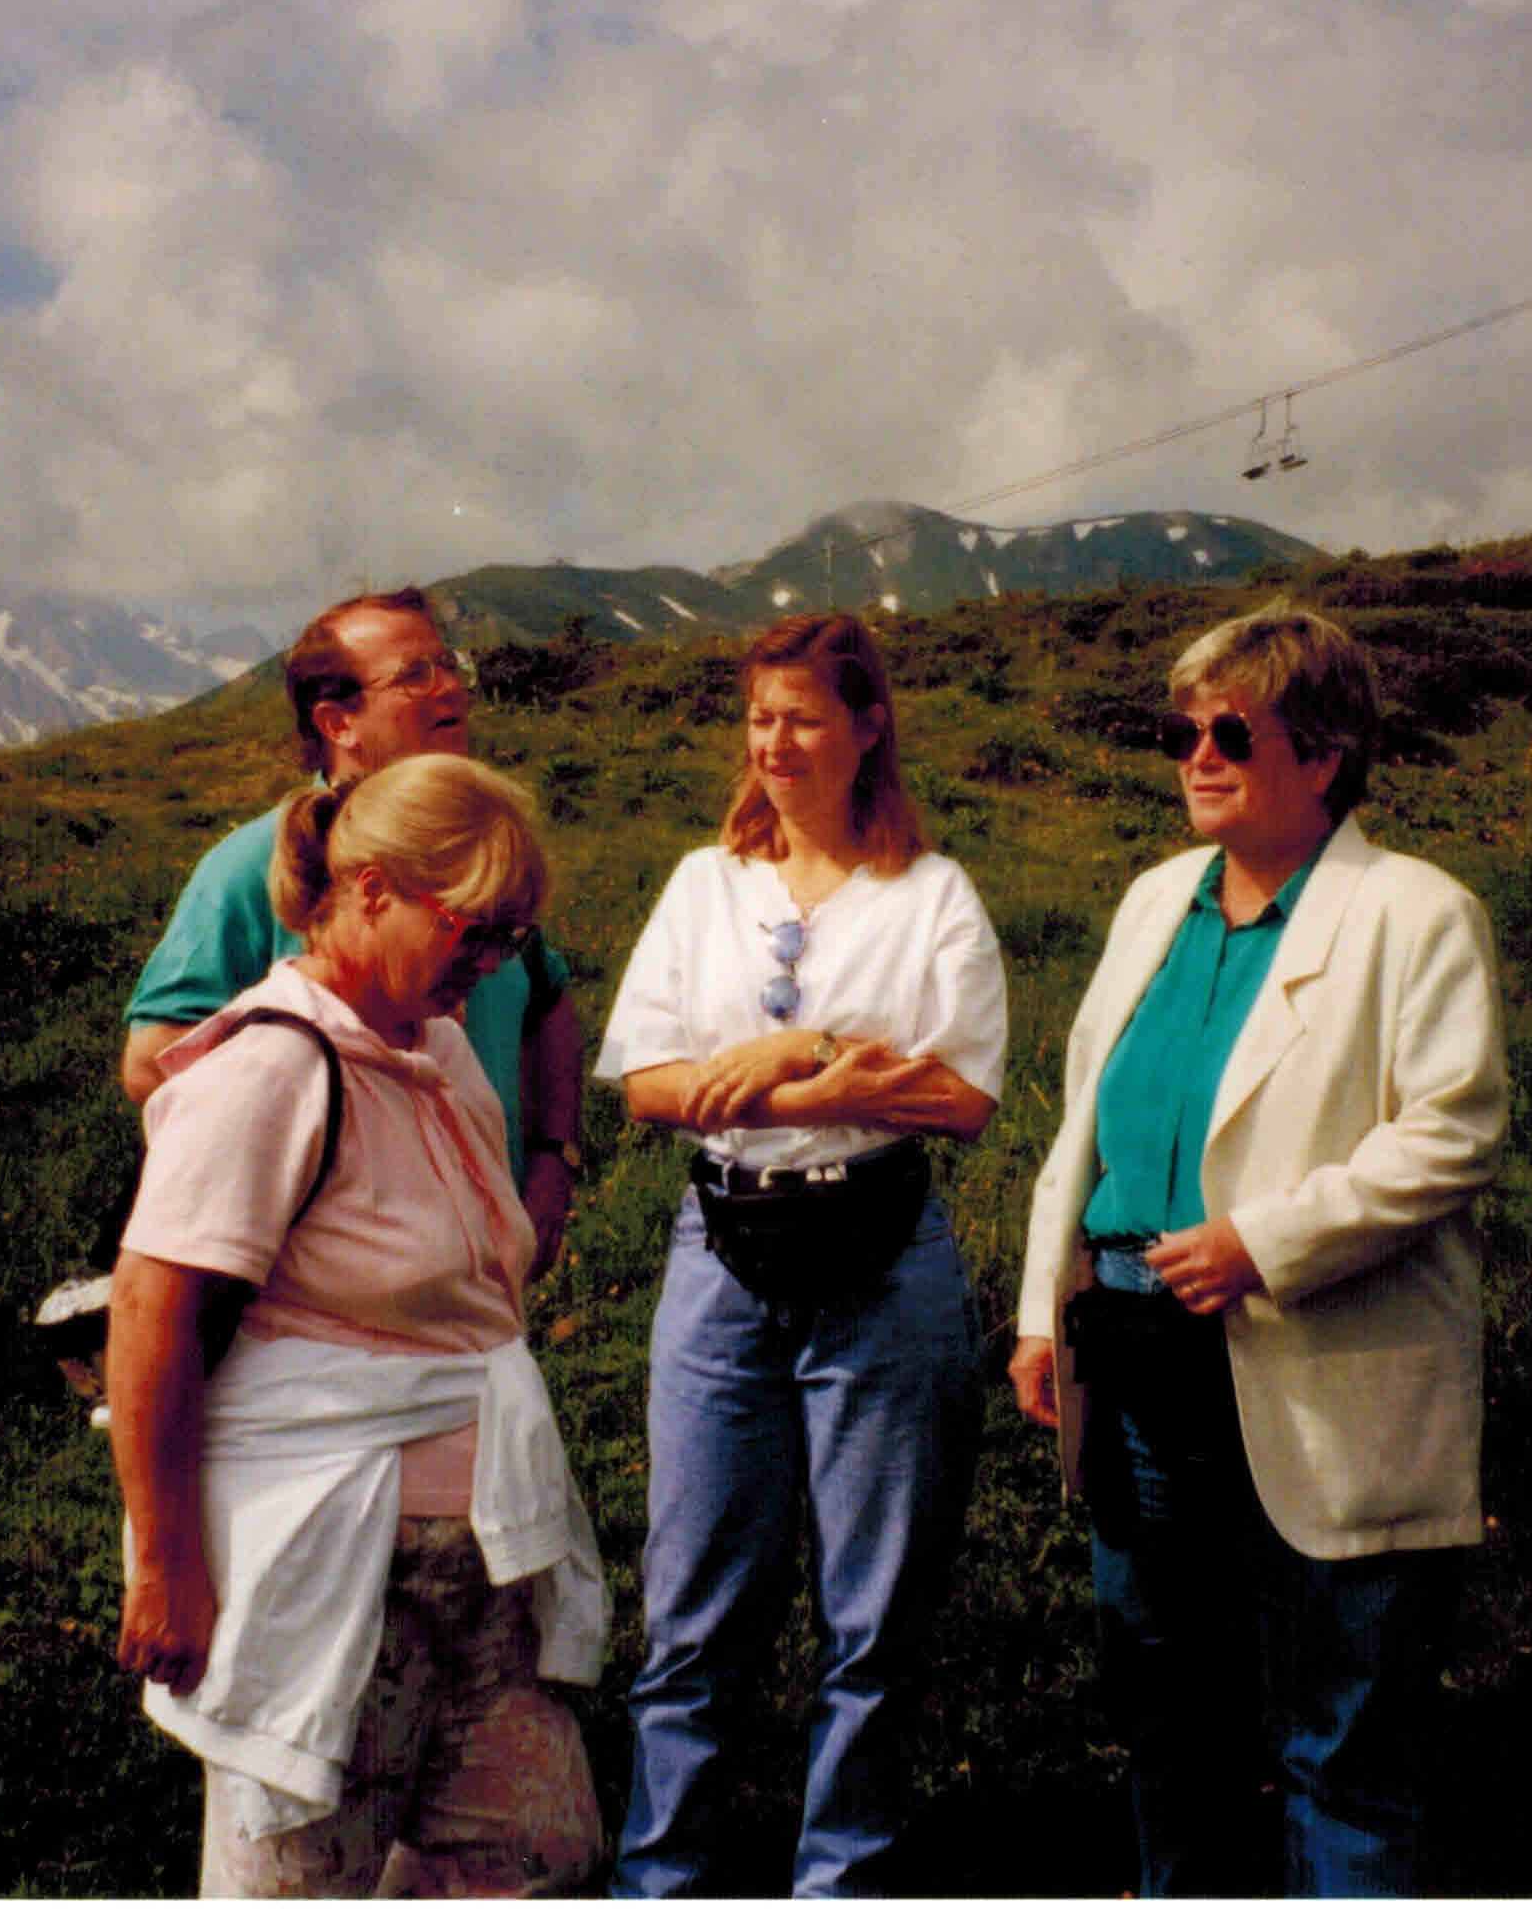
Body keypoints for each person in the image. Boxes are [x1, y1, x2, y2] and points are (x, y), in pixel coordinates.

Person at [1007, 602, 1508, 1898]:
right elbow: (1084, 1127)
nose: (1198, 754)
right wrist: (1041, 1317)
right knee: (1169, 1707)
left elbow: (1452, 1136)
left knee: (1341, 1728)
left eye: (1233, 730)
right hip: (1135, 1352)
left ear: (1328, 752)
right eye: (1182, 730)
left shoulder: (1417, 915)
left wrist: (1265, 1244)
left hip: (1314, 1350)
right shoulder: (1152, 901)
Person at [107, 753, 607, 1898]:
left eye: (510, 944)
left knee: (531, 1858)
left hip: (475, 1565)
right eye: (472, 932)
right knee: (306, 1876)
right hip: (333, 1565)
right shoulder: (275, 1063)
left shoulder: (429, 1049)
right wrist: (165, 1562)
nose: (487, 968)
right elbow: (151, 1309)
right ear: (371, 889)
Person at [594, 612, 1008, 1897]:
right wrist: (829, 1077)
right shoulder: (701, 884)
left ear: (867, 726)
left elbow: (962, 1097)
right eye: (759, 719)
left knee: (872, 1611)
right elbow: (647, 1084)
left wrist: (790, 1046)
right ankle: (658, 1878)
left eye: (804, 719)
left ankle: (841, 1878)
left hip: (882, 1256)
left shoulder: (927, 894)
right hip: (723, 1249)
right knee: (692, 1602)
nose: (774, 744)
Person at [122, 588, 585, 1266]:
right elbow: (151, 1063)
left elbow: (547, 997)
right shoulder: (250, 865)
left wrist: (553, 1160)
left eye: (449, 665)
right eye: (415, 675)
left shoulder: (478, 850)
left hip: (480, 1253)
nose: (449, 687)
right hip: (346, 1281)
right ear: (339, 723)